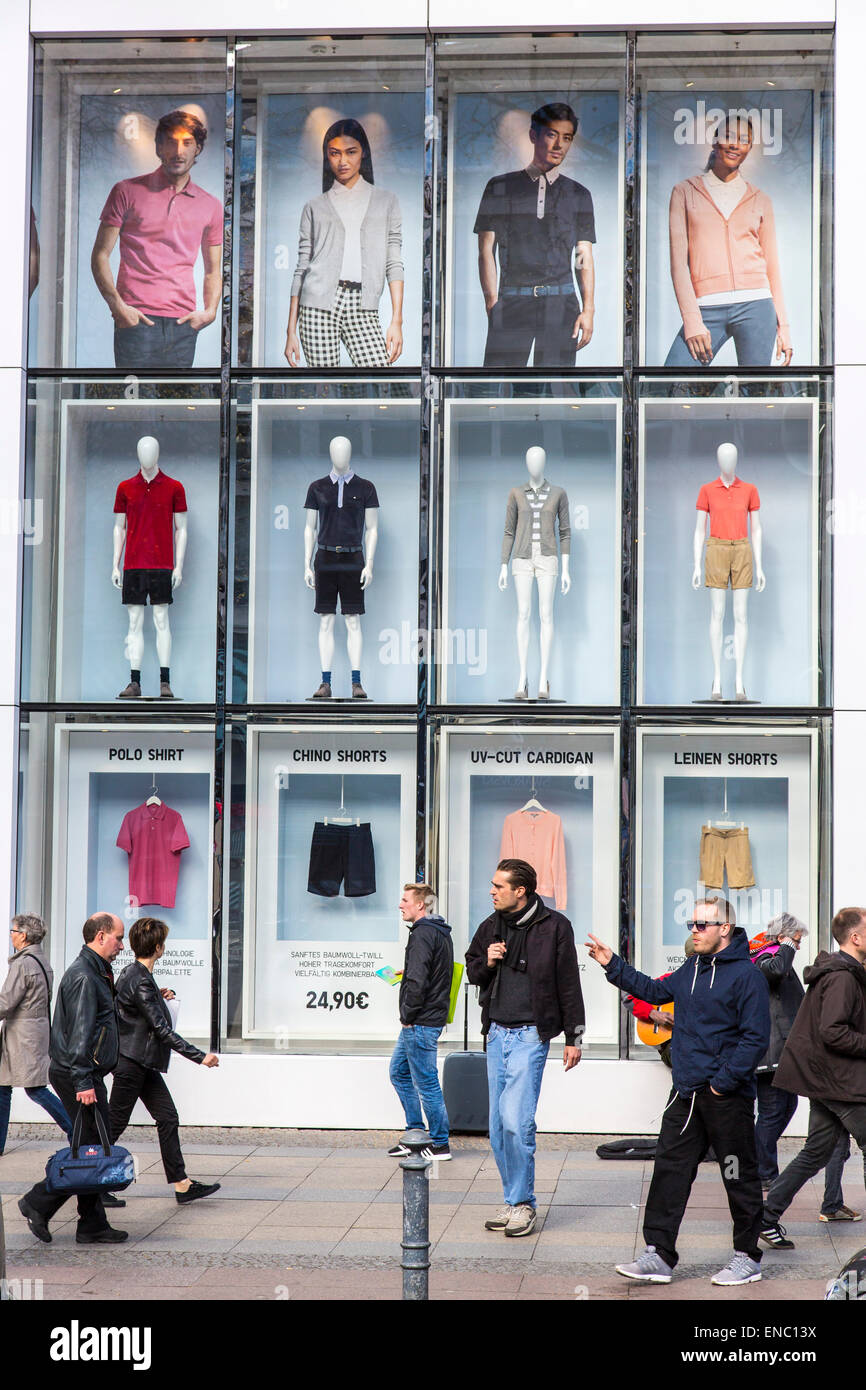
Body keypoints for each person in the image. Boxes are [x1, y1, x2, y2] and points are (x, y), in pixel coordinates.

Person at [587, 894, 770, 1286]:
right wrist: (612, 964)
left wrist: (722, 1084)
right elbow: (653, 991)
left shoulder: (747, 976)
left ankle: (747, 1257)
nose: (694, 931)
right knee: (670, 1171)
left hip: (726, 1098)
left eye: (702, 925)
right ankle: (659, 1255)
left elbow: (755, 1040)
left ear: (725, 928)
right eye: (691, 925)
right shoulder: (693, 967)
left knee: (738, 1175)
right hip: (686, 1095)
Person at [465, 858, 583, 1238]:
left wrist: (573, 1037)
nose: (492, 891)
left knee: (517, 1120)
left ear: (521, 891)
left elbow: (568, 984)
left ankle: (523, 1204)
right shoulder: (490, 925)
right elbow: (472, 971)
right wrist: (487, 960)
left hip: (532, 1034)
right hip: (497, 1032)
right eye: (492, 885)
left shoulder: (555, 927)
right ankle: (512, 1197)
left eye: (499, 886)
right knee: (498, 1126)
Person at [18, 912, 128, 1245]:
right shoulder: (84, 976)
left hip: (84, 1070)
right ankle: (38, 1201)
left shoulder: (97, 971)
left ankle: (92, 1223)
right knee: (87, 1148)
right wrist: (83, 1082)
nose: (122, 945)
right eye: (118, 938)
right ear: (100, 936)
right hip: (78, 1073)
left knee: (91, 1147)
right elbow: (80, 1033)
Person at [760, 906, 866, 1251]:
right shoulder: (842, 977)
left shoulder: (842, 972)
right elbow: (833, 1032)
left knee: (815, 1152)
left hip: (827, 1081)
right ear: (856, 937)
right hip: (841, 1083)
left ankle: (765, 1216)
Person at [91, 108, 223, 368]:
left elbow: (213, 270)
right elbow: (100, 255)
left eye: (187, 143)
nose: (179, 151)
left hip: (183, 323)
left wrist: (209, 312)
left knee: (175, 407)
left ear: (198, 149)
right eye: (171, 142)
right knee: (133, 405)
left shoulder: (211, 205)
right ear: (159, 147)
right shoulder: (126, 191)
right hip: (136, 318)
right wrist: (118, 307)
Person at [474, 102, 596, 368]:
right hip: (513, 299)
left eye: (567, 138)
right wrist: (492, 302)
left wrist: (588, 309)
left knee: (554, 389)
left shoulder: (579, 194)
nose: (559, 145)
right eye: (552, 134)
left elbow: (583, 254)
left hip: (561, 303)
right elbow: (486, 250)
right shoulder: (500, 187)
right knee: (496, 387)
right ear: (534, 136)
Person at [108, 917, 221, 1204]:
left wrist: (159, 997)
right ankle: (84, 1176)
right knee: (113, 1125)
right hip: (132, 1064)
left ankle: (182, 1184)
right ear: (158, 947)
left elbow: (133, 1008)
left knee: (168, 1117)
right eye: (163, 943)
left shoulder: (134, 974)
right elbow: (162, 1030)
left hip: (142, 1063)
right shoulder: (140, 979)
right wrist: (200, 1057)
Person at [665, 114, 791, 368]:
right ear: (715, 141)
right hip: (706, 307)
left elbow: (772, 268)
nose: (735, 144)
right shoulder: (685, 192)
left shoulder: (760, 199)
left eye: (744, 140)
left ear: (749, 149)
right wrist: (692, 320)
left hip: (756, 305)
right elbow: (679, 264)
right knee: (669, 383)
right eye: (729, 136)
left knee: (754, 392)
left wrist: (783, 327)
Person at [285, 118, 403, 368]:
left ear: (363, 154)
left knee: (382, 381)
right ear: (327, 157)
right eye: (334, 153)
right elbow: (302, 267)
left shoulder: (386, 201)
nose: (343, 161)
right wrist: (290, 332)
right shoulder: (314, 207)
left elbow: (394, 263)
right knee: (324, 388)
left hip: (363, 304)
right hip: (317, 305)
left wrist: (396, 320)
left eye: (351, 152)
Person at [387, 884, 453, 1162]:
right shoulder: (436, 931)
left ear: (420, 905)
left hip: (419, 1021)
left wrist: (407, 1016)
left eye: (405, 900)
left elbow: (418, 981)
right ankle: (415, 1132)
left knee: (426, 1082)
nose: (400, 905)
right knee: (399, 1072)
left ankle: (439, 1144)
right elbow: (429, 972)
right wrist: (410, 972)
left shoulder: (423, 934)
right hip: (424, 1018)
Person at [0, 914, 71, 1155]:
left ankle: (74, 1129)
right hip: (35, 1031)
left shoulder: (22, 964)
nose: (10, 934)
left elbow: (6, 1002)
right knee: (3, 1086)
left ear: (24, 935)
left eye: (13, 930)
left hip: (22, 1035)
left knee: (36, 1088)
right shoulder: (41, 960)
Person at [750, 913, 808, 1188]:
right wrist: (785, 945)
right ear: (784, 937)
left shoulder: (774, 956)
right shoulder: (765, 957)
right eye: (796, 941)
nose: (797, 947)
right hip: (770, 1052)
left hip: (781, 1051)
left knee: (787, 1106)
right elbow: (773, 973)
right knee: (773, 1110)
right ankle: (764, 1172)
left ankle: (760, 1162)